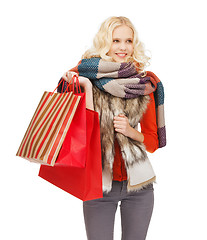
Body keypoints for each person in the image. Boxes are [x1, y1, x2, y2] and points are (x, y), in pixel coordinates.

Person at [60, 16, 166, 240]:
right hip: (98, 184)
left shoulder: (143, 84)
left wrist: (129, 131)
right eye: (116, 40)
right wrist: (85, 86)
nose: (123, 47)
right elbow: (72, 125)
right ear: (105, 42)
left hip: (138, 185)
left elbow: (153, 142)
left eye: (128, 41)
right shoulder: (82, 75)